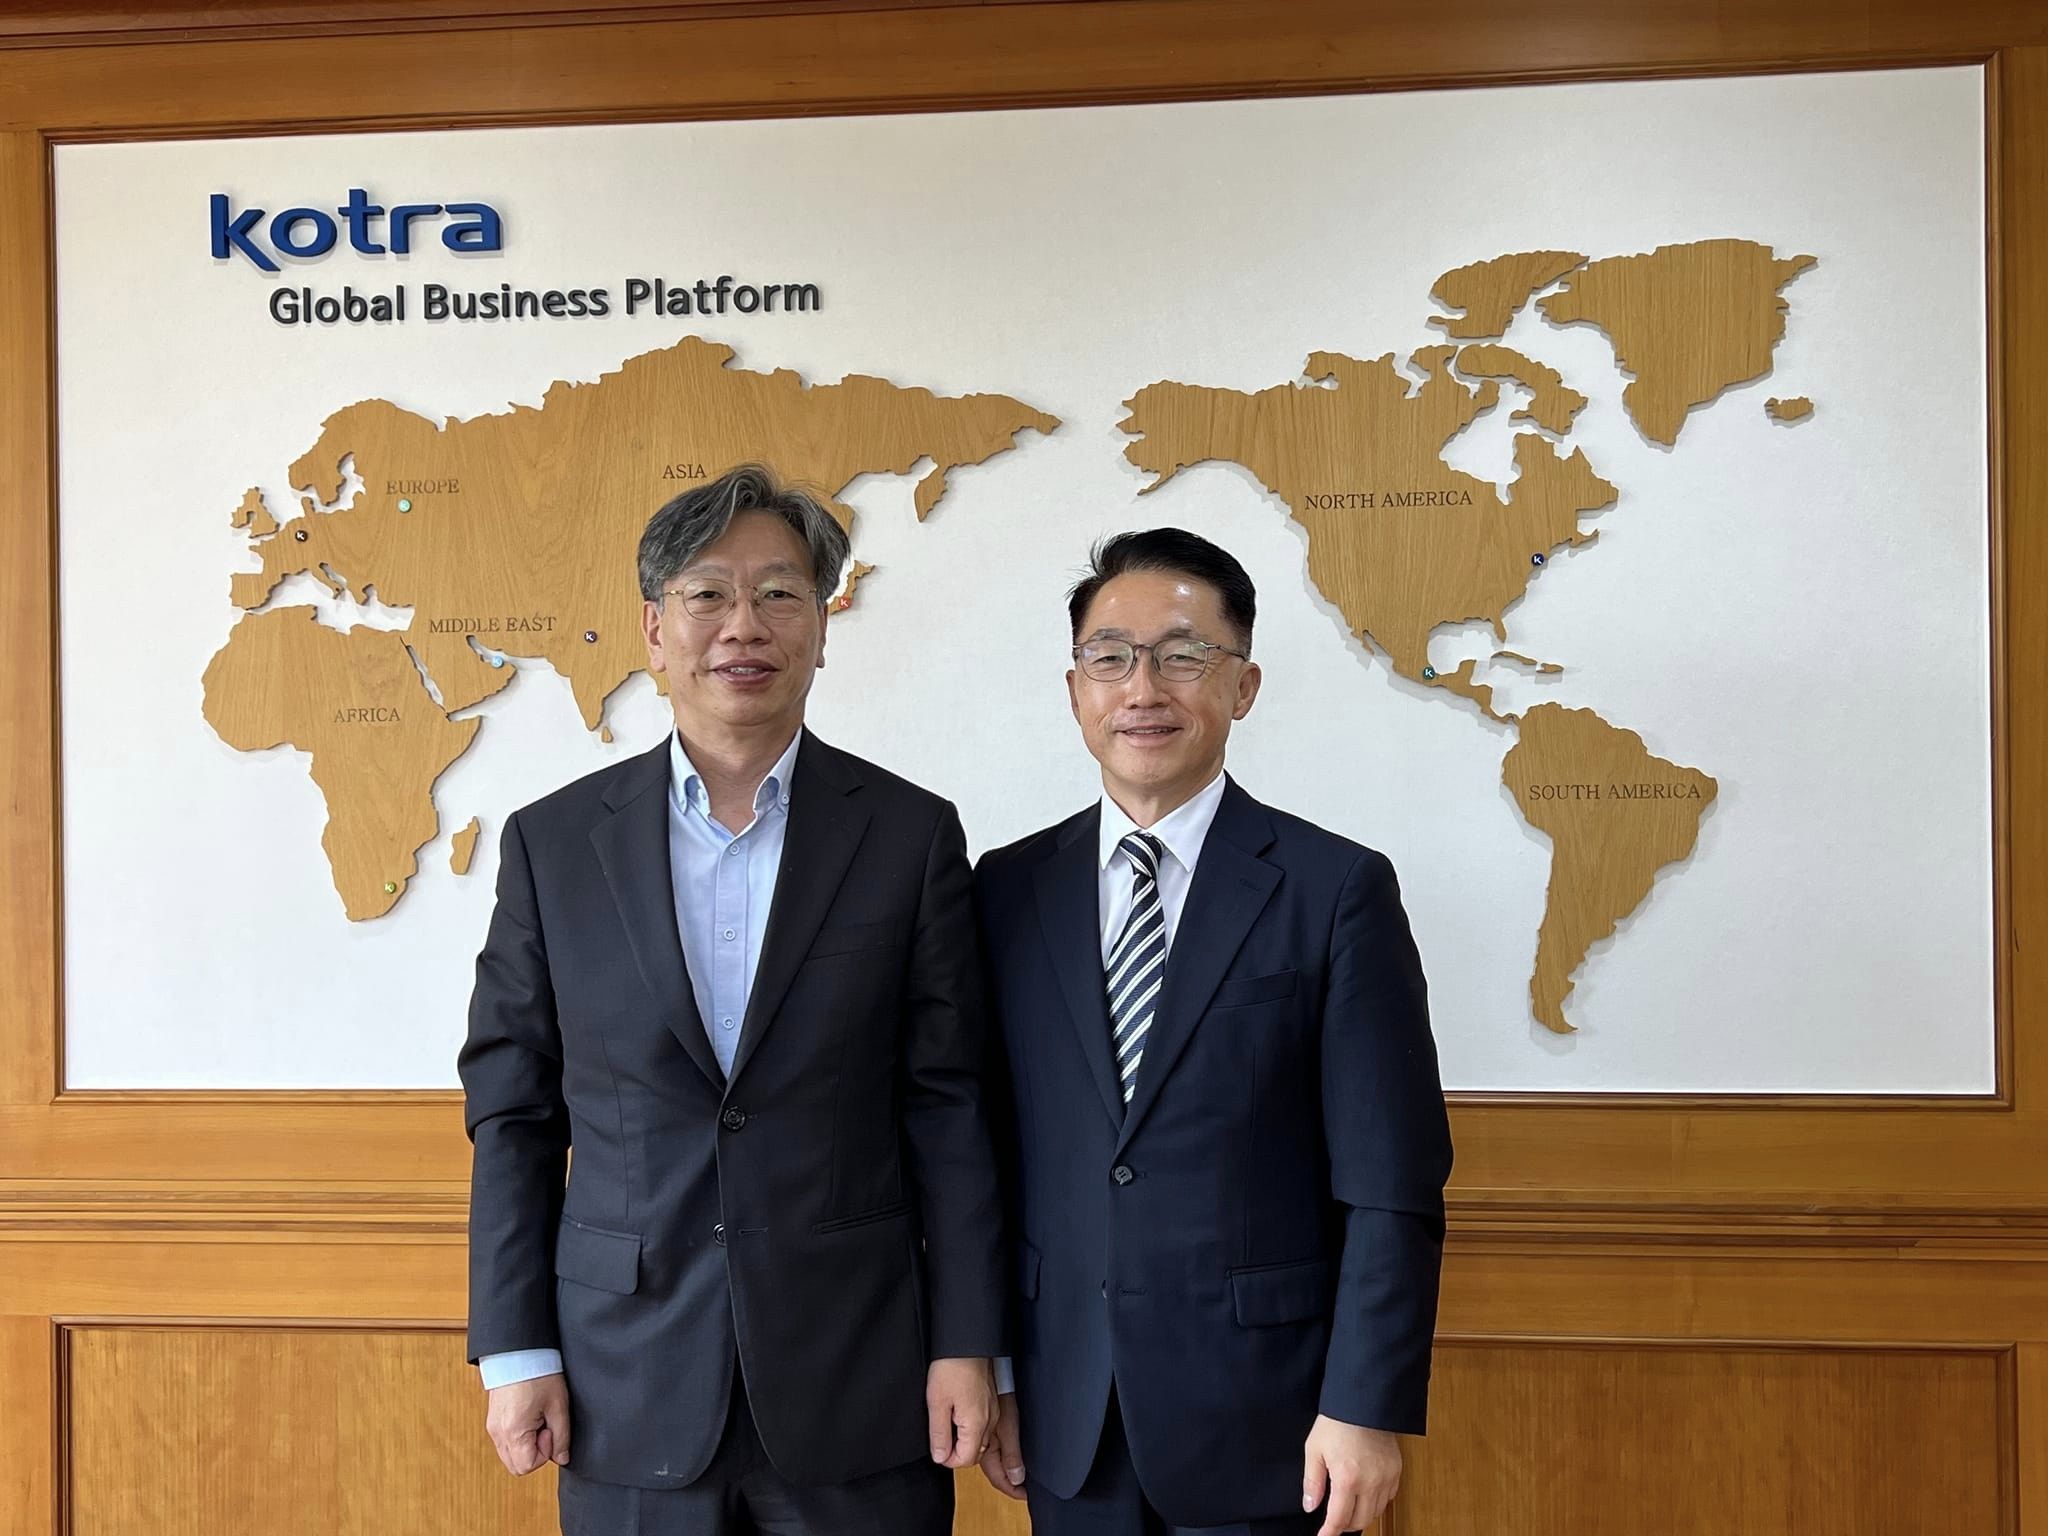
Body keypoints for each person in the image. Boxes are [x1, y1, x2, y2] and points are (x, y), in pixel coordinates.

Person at [459, 463, 1004, 1536]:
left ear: (822, 627)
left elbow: (948, 1103)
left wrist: (966, 1340)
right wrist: (516, 1349)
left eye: (779, 593)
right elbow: (514, 1110)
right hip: (623, 1379)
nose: (742, 626)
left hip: (860, 1371)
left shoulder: (909, 835)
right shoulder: (553, 845)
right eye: (707, 594)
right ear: (654, 631)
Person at [973, 528, 1452, 1536]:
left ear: (1243, 686)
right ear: (1075, 691)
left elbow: (1391, 1182)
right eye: (1111, 657)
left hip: (1272, 1420)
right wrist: (999, 1368)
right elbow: (986, 1158)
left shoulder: (1334, 890)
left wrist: (1363, 1406)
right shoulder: (1005, 891)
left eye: (1184, 655)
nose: (1142, 689)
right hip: (1068, 1410)